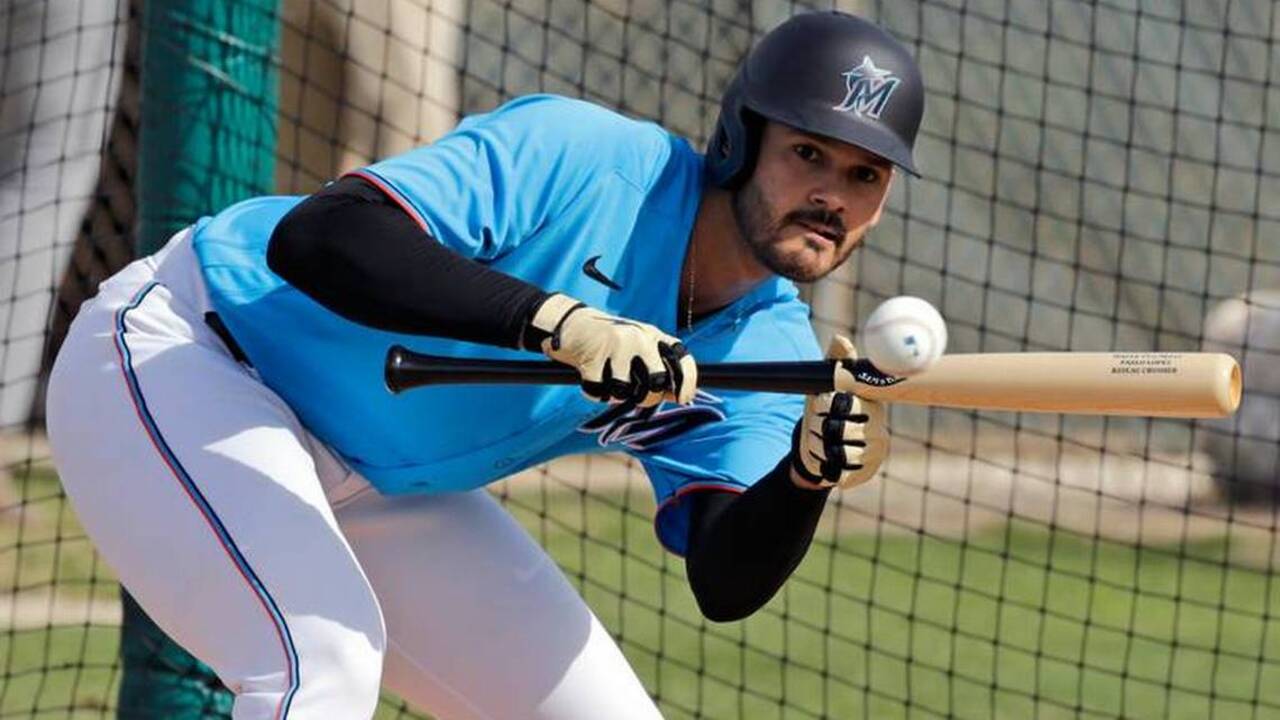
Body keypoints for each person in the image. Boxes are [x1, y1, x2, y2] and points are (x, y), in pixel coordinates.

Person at [45, 10, 924, 719]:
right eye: (808, 153)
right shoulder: (589, 157)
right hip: (189, 356)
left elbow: (725, 580)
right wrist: (558, 322)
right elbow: (321, 235)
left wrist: (804, 481)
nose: (831, 196)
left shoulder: (773, 347)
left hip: (382, 481)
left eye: (864, 175)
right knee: (320, 662)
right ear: (739, 139)